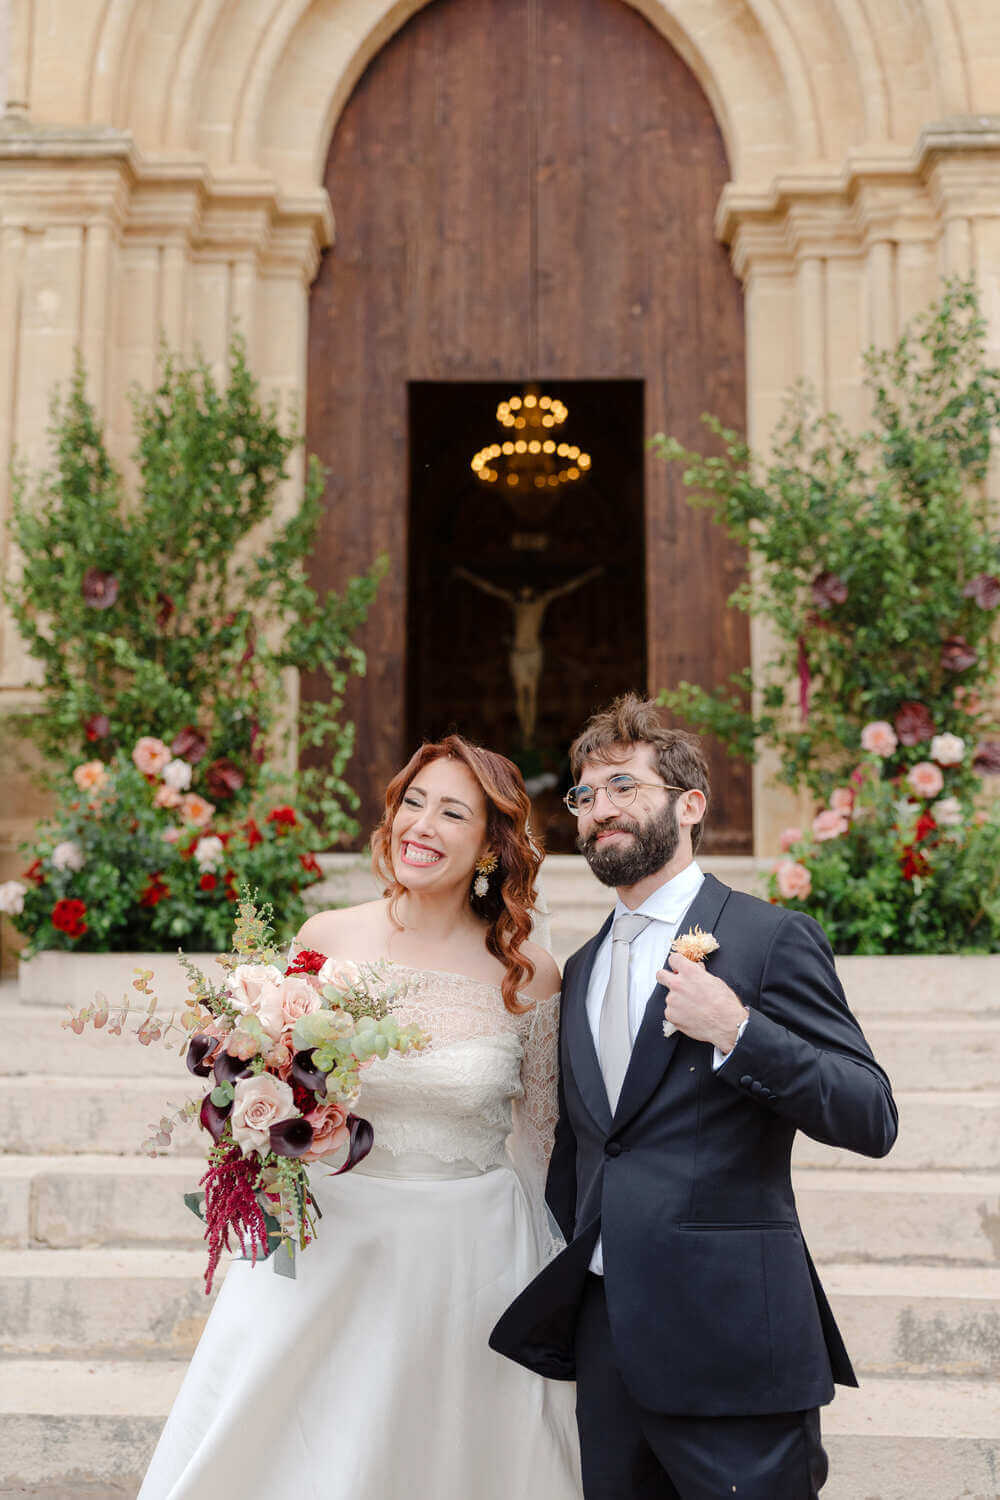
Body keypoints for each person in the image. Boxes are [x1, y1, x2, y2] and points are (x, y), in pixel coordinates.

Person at [138, 735, 582, 1500]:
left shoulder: (528, 974)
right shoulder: (327, 939)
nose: (422, 826)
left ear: (489, 846)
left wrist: (561, 1271)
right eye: (413, 802)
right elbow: (270, 1075)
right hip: (331, 1243)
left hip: (471, 1255)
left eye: (452, 813)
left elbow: (542, 1139)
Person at [490, 693, 898, 1500]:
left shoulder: (768, 936)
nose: (599, 810)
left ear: (690, 805)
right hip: (610, 1343)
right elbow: (586, 1151)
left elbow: (870, 1113)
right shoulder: (578, 970)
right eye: (584, 794)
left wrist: (739, 1030)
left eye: (623, 787)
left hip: (735, 1339)